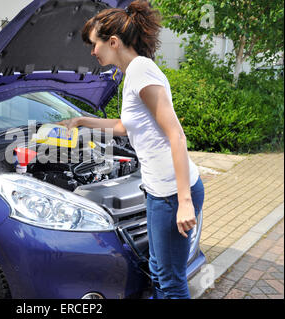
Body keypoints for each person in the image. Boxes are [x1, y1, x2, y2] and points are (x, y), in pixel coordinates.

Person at [57, 0, 205, 299]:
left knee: (170, 279)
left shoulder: (140, 70)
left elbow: (175, 134)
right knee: (158, 270)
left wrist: (185, 202)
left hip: (172, 193)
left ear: (113, 42)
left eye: (94, 44)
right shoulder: (133, 73)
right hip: (158, 190)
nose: (92, 51)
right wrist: (83, 120)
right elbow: (128, 126)